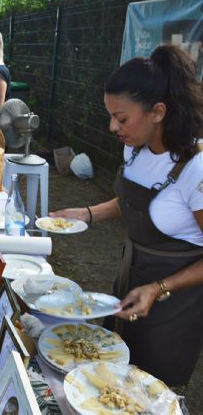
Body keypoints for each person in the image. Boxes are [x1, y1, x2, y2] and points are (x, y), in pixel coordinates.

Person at [51, 45, 203, 387]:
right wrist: (88, 213)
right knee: (111, 375)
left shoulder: (195, 167)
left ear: (158, 112)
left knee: (150, 387)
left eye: (121, 118)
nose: (112, 127)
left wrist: (160, 288)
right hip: (131, 277)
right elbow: (133, 201)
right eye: (110, 116)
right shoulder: (134, 148)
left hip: (174, 299)